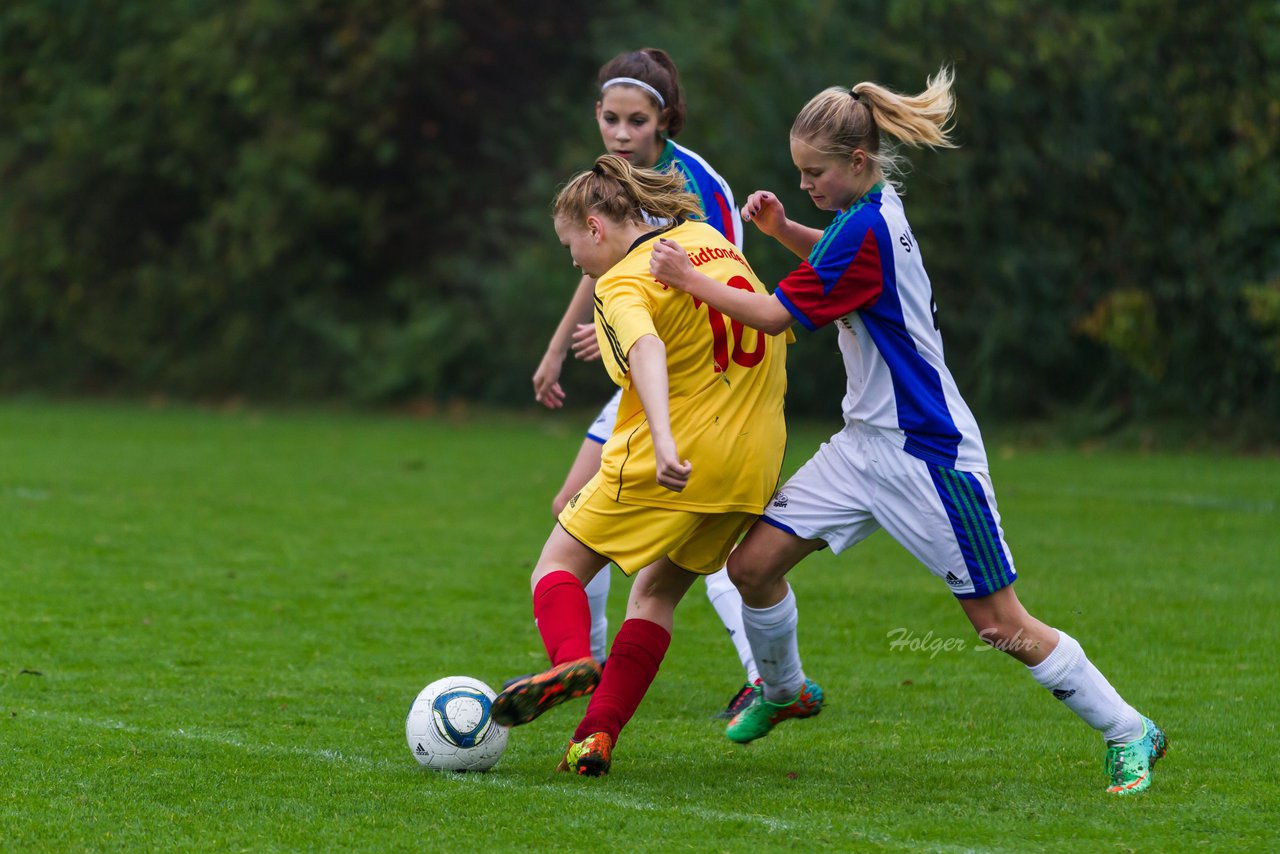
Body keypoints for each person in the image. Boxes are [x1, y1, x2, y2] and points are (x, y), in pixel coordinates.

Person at [649, 65, 1168, 796]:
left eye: (813, 173)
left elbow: (772, 315)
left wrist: (684, 274)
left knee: (1000, 623)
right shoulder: (866, 213)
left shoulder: (862, 228)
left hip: (927, 453)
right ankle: (785, 690)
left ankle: (1128, 730)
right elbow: (837, 263)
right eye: (799, 173)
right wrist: (782, 231)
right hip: (862, 446)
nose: (805, 185)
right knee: (750, 568)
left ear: (856, 162)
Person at [492, 154, 789, 776]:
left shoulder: (620, 282)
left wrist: (663, 435)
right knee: (653, 595)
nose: (573, 260)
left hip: (671, 457)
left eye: (570, 245)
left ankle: (570, 661)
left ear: (596, 228)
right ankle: (594, 736)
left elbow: (649, 347)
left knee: (556, 565)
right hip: (752, 465)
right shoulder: (706, 240)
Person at [531, 47, 759, 717]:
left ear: (665, 121)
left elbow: (714, 274)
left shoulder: (694, 182)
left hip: (690, 373)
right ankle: (582, 664)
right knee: (572, 508)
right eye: (611, 119)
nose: (623, 134)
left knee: (701, 543)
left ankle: (767, 675)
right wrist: (558, 347)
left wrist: (623, 328)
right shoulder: (610, 181)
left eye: (636, 121)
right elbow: (594, 258)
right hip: (643, 360)